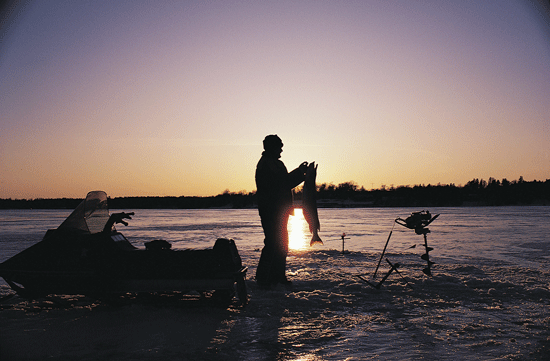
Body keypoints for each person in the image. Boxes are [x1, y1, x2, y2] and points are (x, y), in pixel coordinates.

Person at [255, 135, 308, 288]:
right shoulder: (266, 165)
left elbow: (284, 182)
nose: (282, 149)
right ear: (271, 147)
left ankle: (277, 276)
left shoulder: (276, 164)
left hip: (280, 210)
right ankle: (264, 278)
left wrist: (300, 173)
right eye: (279, 146)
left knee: (281, 243)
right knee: (273, 243)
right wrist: (300, 173)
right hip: (271, 210)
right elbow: (282, 183)